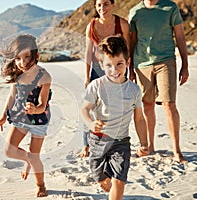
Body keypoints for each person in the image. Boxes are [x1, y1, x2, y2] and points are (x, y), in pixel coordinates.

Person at [81, 35, 149, 199]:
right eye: (109, 65)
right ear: (101, 65)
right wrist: (90, 124)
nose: (114, 70)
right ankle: (102, 178)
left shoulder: (133, 90)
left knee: (119, 180)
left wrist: (145, 142)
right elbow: (84, 109)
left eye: (119, 64)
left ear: (127, 61)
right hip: (98, 139)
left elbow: (139, 118)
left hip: (121, 142)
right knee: (99, 175)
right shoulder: (96, 85)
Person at [0, 34, 52, 197]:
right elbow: (12, 96)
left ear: (36, 55)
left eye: (27, 56)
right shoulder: (18, 74)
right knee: (9, 150)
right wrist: (4, 116)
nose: (23, 62)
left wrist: (35, 109)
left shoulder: (44, 76)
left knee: (35, 156)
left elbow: (43, 104)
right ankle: (28, 160)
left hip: (39, 119)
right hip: (20, 116)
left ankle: (40, 185)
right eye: (18, 58)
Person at [129, 0, 189, 162]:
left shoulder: (170, 7)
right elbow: (132, 42)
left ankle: (177, 150)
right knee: (147, 105)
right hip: (142, 65)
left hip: (166, 61)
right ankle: (150, 146)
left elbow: (180, 37)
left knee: (169, 104)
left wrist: (185, 65)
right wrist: (130, 69)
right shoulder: (135, 12)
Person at [79, 0, 130, 157]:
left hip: (117, 69)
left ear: (113, 5)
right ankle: (86, 145)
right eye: (99, 5)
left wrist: (130, 70)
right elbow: (88, 52)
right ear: (95, 6)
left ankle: (114, 141)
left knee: (114, 105)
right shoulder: (92, 26)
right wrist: (87, 76)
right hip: (97, 69)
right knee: (91, 106)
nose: (102, 8)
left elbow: (128, 49)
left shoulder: (122, 24)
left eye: (106, 4)